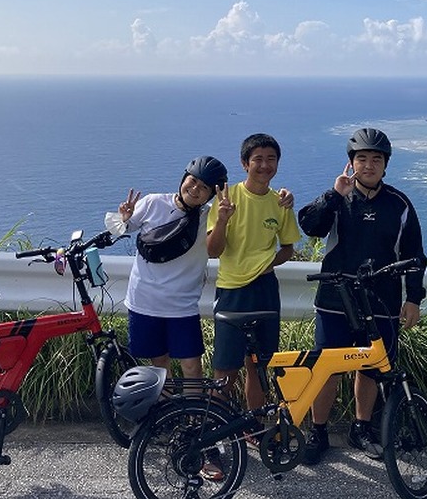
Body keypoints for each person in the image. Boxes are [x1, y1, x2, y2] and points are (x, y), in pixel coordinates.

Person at [296, 128, 427, 465]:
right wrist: (333, 195)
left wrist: (413, 298)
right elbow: (310, 226)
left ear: (385, 165)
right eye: (362, 159)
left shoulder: (399, 204)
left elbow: (415, 254)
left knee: (369, 367)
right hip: (335, 299)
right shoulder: (339, 197)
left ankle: (361, 427)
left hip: (381, 300)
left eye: (376, 160)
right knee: (327, 368)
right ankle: (318, 431)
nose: (369, 165)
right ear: (351, 163)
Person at [104, 155, 228, 380]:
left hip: (182, 305)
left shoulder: (209, 215)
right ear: (184, 178)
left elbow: (215, 251)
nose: (195, 189)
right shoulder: (154, 202)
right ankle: (167, 404)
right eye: (192, 181)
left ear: (211, 194)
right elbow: (122, 229)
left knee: (192, 366)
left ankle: (193, 405)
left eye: (204, 187)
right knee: (159, 366)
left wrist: (222, 221)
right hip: (144, 301)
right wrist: (124, 217)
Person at [207, 133, 299, 414]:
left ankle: (253, 427)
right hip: (232, 290)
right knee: (225, 369)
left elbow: (288, 248)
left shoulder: (280, 202)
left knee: (258, 366)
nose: (265, 165)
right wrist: (222, 220)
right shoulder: (227, 197)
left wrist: (268, 264)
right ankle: (215, 426)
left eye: (271, 159)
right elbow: (213, 251)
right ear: (244, 163)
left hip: (265, 289)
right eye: (258, 159)